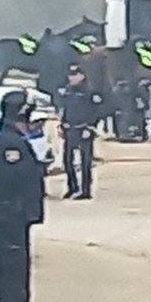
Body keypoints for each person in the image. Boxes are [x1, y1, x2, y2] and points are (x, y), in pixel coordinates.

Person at [0, 92, 45, 302]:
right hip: (9, 213)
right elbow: (13, 176)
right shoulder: (7, 141)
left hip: (15, 214)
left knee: (18, 267)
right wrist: (38, 164)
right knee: (12, 269)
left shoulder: (13, 138)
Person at [57, 64, 103, 200]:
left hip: (84, 129)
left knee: (85, 162)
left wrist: (90, 127)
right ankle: (72, 187)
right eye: (70, 75)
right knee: (67, 161)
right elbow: (65, 109)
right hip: (70, 128)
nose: (72, 78)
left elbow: (97, 111)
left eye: (75, 75)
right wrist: (63, 123)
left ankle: (85, 190)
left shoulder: (90, 92)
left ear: (82, 76)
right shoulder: (67, 91)